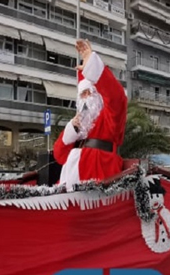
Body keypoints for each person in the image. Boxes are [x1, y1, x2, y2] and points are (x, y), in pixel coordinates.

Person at [53, 40, 127, 188]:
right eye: (82, 94)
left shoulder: (109, 114)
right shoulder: (80, 122)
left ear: (98, 94)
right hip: (71, 181)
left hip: (99, 175)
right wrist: (71, 130)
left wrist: (91, 66)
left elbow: (116, 97)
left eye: (88, 92)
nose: (85, 97)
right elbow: (59, 156)